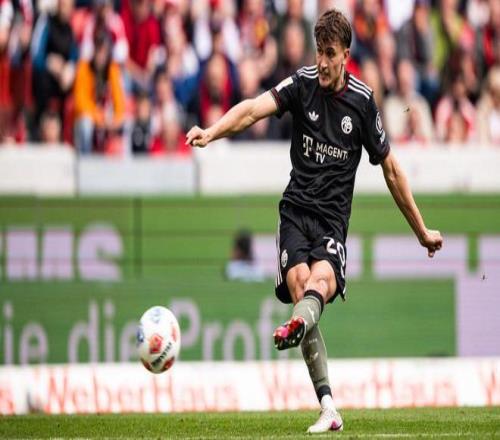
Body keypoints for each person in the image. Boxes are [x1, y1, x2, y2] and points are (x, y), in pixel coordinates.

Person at [186, 8, 443, 434]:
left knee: (318, 283)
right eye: (318, 52)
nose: (321, 62)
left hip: (331, 222)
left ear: (345, 55)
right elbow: (253, 110)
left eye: (329, 53)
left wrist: (421, 231)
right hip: (294, 212)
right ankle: (328, 405)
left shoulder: (362, 102)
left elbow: (392, 170)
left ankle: (302, 329)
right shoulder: (302, 84)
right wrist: (211, 132)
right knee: (299, 285)